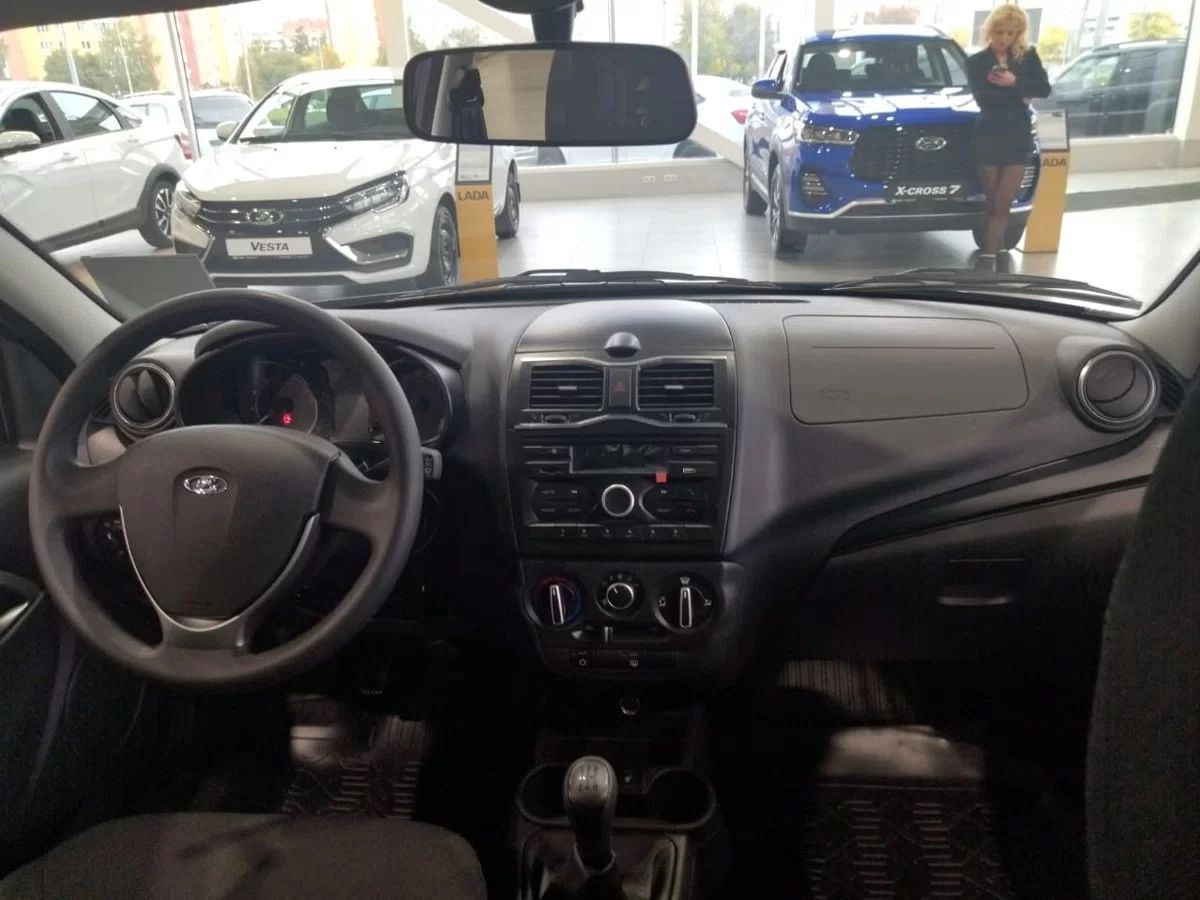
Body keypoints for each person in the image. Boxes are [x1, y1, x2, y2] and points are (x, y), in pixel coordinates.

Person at [966, 4, 1051, 263]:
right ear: (990, 31)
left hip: (1017, 136)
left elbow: (1044, 89)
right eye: (999, 32)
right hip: (989, 135)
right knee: (992, 199)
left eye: (1010, 33)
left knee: (1004, 199)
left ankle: (988, 256)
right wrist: (1021, 96)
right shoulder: (976, 62)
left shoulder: (1028, 57)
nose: (1004, 38)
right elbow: (984, 99)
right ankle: (999, 249)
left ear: (1018, 34)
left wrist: (1014, 83)